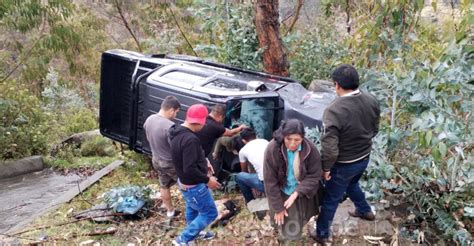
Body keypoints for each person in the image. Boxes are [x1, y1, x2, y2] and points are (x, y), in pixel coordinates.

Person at [312, 64, 380, 244]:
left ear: (336, 85)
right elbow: (375, 129)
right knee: (352, 184)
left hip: (343, 163)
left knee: (331, 198)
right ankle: (365, 210)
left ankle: (322, 233)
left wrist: (326, 167)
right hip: (364, 156)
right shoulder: (371, 100)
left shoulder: (334, 110)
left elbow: (330, 147)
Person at [169, 104, 221, 246]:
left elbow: (187, 157)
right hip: (193, 185)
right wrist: (207, 180)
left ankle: (194, 233)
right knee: (210, 213)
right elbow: (189, 168)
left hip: (184, 182)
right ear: (201, 121)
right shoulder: (190, 139)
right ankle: (183, 239)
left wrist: (204, 160)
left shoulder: (176, 132)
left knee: (192, 208)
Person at [264, 119, 322, 241]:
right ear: (283, 136)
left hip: (300, 188)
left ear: (303, 138)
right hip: (282, 189)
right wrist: (278, 207)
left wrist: (296, 193)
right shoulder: (272, 149)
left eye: (297, 140)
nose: (292, 144)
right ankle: (285, 237)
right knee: (281, 216)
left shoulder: (310, 149)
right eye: (288, 139)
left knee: (299, 219)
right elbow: (270, 181)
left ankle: (290, 238)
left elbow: (314, 175)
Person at [143, 96, 181, 218]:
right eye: (176, 112)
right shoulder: (170, 126)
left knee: (164, 185)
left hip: (156, 159)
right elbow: (176, 149)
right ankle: (196, 211)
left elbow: (148, 137)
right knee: (187, 184)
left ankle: (170, 211)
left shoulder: (149, 119)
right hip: (170, 162)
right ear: (171, 110)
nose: (175, 115)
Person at [235, 128, 268, 203]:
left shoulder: (242, 151)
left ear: (243, 140)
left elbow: (244, 171)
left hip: (266, 185)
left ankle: (251, 201)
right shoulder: (265, 141)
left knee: (239, 177)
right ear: (255, 136)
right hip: (280, 181)